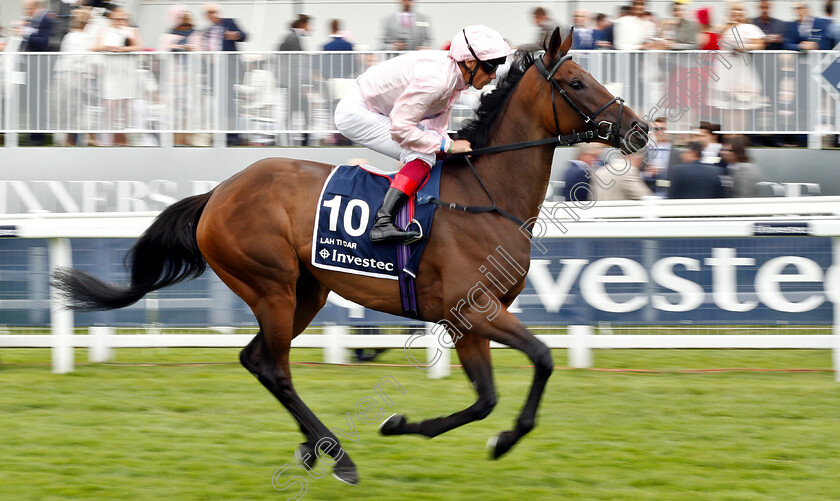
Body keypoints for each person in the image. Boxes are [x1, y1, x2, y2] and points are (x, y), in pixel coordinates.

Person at [334, 25, 513, 244]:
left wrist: (448, 145)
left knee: (433, 148)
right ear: (470, 62)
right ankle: (382, 222)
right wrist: (447, 146)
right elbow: (400, 129)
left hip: (375, 108)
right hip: (357, 113)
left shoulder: (456, 78)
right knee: (423, 156)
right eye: (490, 67)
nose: (493, 75)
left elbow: (436, 129)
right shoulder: (438, 82)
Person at [91, 6, 143, 147]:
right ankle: (110, 135)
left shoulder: (132, 31)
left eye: (122, 19)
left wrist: (121, 49)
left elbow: (138, 47)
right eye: (116, 19)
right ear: (111, 19)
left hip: (127, 71)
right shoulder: (105, 31)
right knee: (109, 104)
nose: (119, 21)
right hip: (110, 72)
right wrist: (106, 47)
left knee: (126, 105)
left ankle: (123, 137)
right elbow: (94, 47)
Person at [50, 7, 95, 146]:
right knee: (76, 108)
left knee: (73, 109)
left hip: (67, 76)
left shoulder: (69, 36)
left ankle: (73, 139)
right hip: (76, 77)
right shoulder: (82, 38)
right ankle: (78, 139)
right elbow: (80, 58)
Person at [15, 0, 53, 146]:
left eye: (28, 8)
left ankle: (38, 137)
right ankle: (32, 135)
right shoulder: (34, 21)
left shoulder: (46, 20)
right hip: (29, 69)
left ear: (36, 7)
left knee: (38, 103)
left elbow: (43, 43)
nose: (26, 11)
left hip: (39, 70)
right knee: (32, 103)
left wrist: (24, 32)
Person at [642, 117, 681, 196]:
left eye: (662, 129)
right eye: (656, 129)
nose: (659, 132)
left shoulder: (677, 154)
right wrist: (647, 174)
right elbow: (637, 174)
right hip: (649, 194)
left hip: (670, 195)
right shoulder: (645, 151)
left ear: (668, 131)